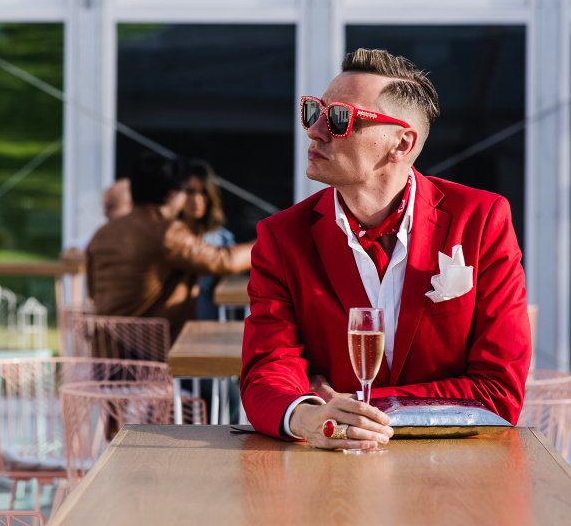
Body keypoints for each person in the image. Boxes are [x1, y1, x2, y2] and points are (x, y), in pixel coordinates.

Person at [240, 48, 531, 452]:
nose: (315, 131)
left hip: (455, 471)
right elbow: (266, 373)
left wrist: (353, 405)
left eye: (339, 118)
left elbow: (497, 392)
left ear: (401, 143)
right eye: (313, 112)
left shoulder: (480, 221)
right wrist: (306, 416)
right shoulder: (281, 236)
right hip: (332, 471)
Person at [86, 153, 254, 344]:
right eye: (186, 191)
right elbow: (224, 261)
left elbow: (92, 290)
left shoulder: (102, 233)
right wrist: (266, 243)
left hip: (105, 347)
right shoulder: (166, 233)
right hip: (150, 351)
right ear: (171, 195)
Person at [180, 159, 236, 320]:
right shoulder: (166, 235)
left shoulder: (222, 239)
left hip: (210, 323)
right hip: (171, 324)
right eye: (190, 191)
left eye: (204, 192)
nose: (197, 199)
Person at [61, 178, 133, 263]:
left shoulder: (143, 235)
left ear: (131, 206)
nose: (105, 212)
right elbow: (69, 253)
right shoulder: (107, 233)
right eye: (105, 207)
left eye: (111, 206)